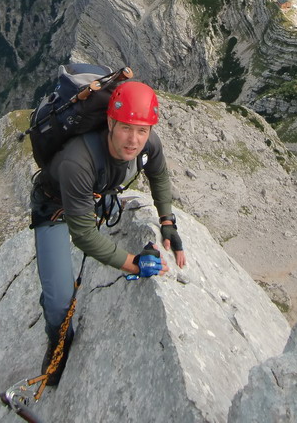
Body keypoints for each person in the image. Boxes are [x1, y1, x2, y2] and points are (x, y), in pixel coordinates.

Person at [30, 80, 186, 381]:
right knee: (60, 300)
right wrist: (134, 263)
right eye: (126, 127)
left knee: (108, 199)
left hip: (98, 192)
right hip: (55, 207)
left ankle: (103, 199)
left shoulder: (148, 143)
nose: (134, 139)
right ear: (111, 122)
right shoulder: (78, 160)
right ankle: (56, 340)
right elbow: (85, 236)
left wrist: (167, 221)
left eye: (142, 130)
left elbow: (160, 175)